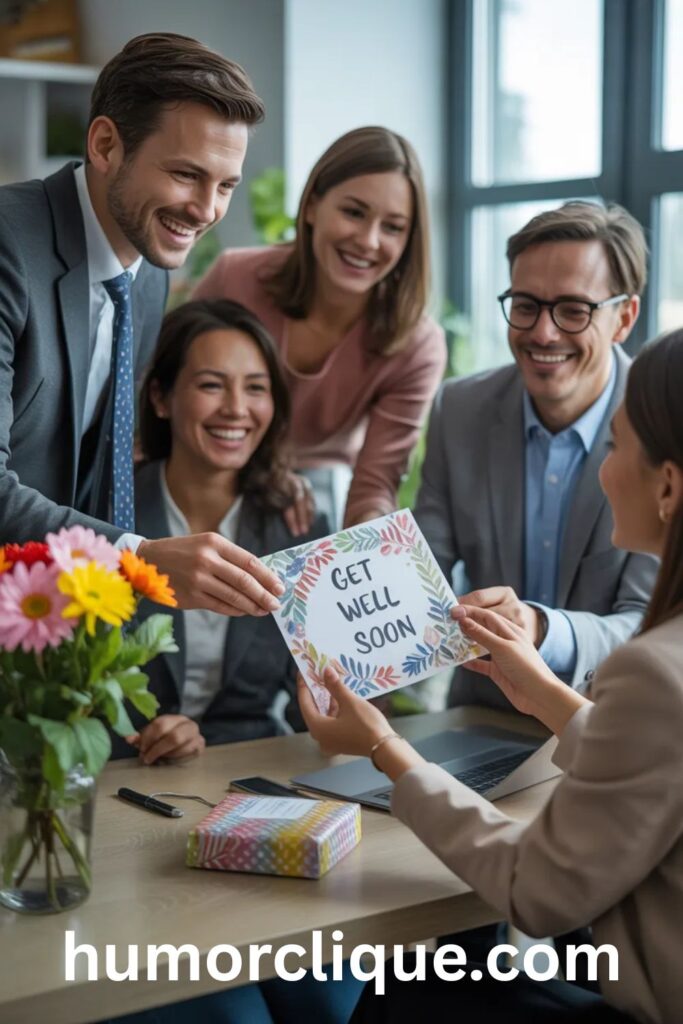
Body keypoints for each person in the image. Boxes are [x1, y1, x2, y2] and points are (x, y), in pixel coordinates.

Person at [299, 328, 683, 1023]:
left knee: (395, 1001)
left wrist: (385, 748)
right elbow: (659, 757)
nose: (600, 470)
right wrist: (547, 695)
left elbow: (534, 890)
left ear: (667, 485)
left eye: (614, 446)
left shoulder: (652, 668)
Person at [0, 32, 284, 618]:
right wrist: (137, 557)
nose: (206, 210)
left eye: (225, 185)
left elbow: (99, 464)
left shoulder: (148, 269)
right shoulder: (8, 244)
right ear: (106, 144)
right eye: (186, 174)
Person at [415, 201, 658, 707]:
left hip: (613, 722)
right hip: (479, 717)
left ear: (624, 318)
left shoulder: (666, 425)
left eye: (573, 310)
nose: (543, 333)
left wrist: (543, 629)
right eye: (526, 305)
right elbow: (422, 576)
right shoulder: (458, 410)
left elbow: (653, 627)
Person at [193, 126, 447, 532]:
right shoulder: (234, 278)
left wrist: (369, 539)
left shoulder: (418, 344)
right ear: (312, 206)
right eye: (354, 213)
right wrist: (265, 473)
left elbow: (374, 485)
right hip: (205, 470)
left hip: (316, 494)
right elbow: (168, 395)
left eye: (393, 227)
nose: (369, 241)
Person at [109, 299, 328, 762]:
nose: (236, 409)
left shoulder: (299, 526)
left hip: (254, 767)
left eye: (256, 388)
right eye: (211, 385)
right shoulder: (109, 516)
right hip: (122, 768)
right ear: (160, 398)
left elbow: (314, 707)